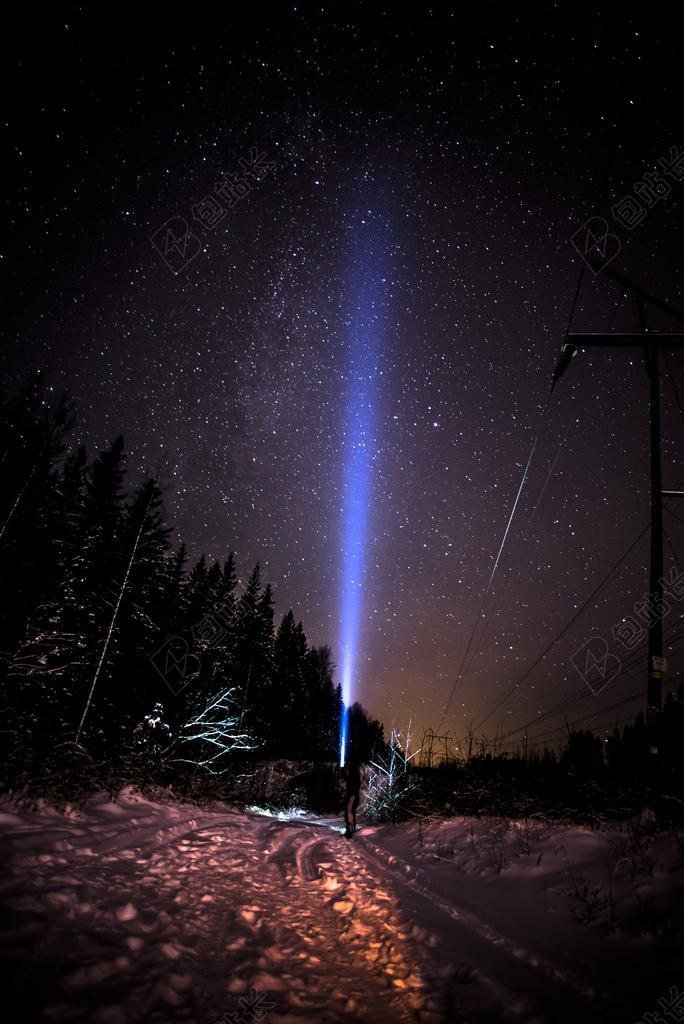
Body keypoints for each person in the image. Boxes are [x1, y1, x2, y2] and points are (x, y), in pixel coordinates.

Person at [343, 760, 361, 838]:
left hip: (352, 796)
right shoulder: (354, 774)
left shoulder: (354, 774)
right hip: (352, 795)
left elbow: (352, 784)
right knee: (349, 812)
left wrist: (351, 795)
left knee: (349, 812)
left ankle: (350, 831)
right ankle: (350, 830)